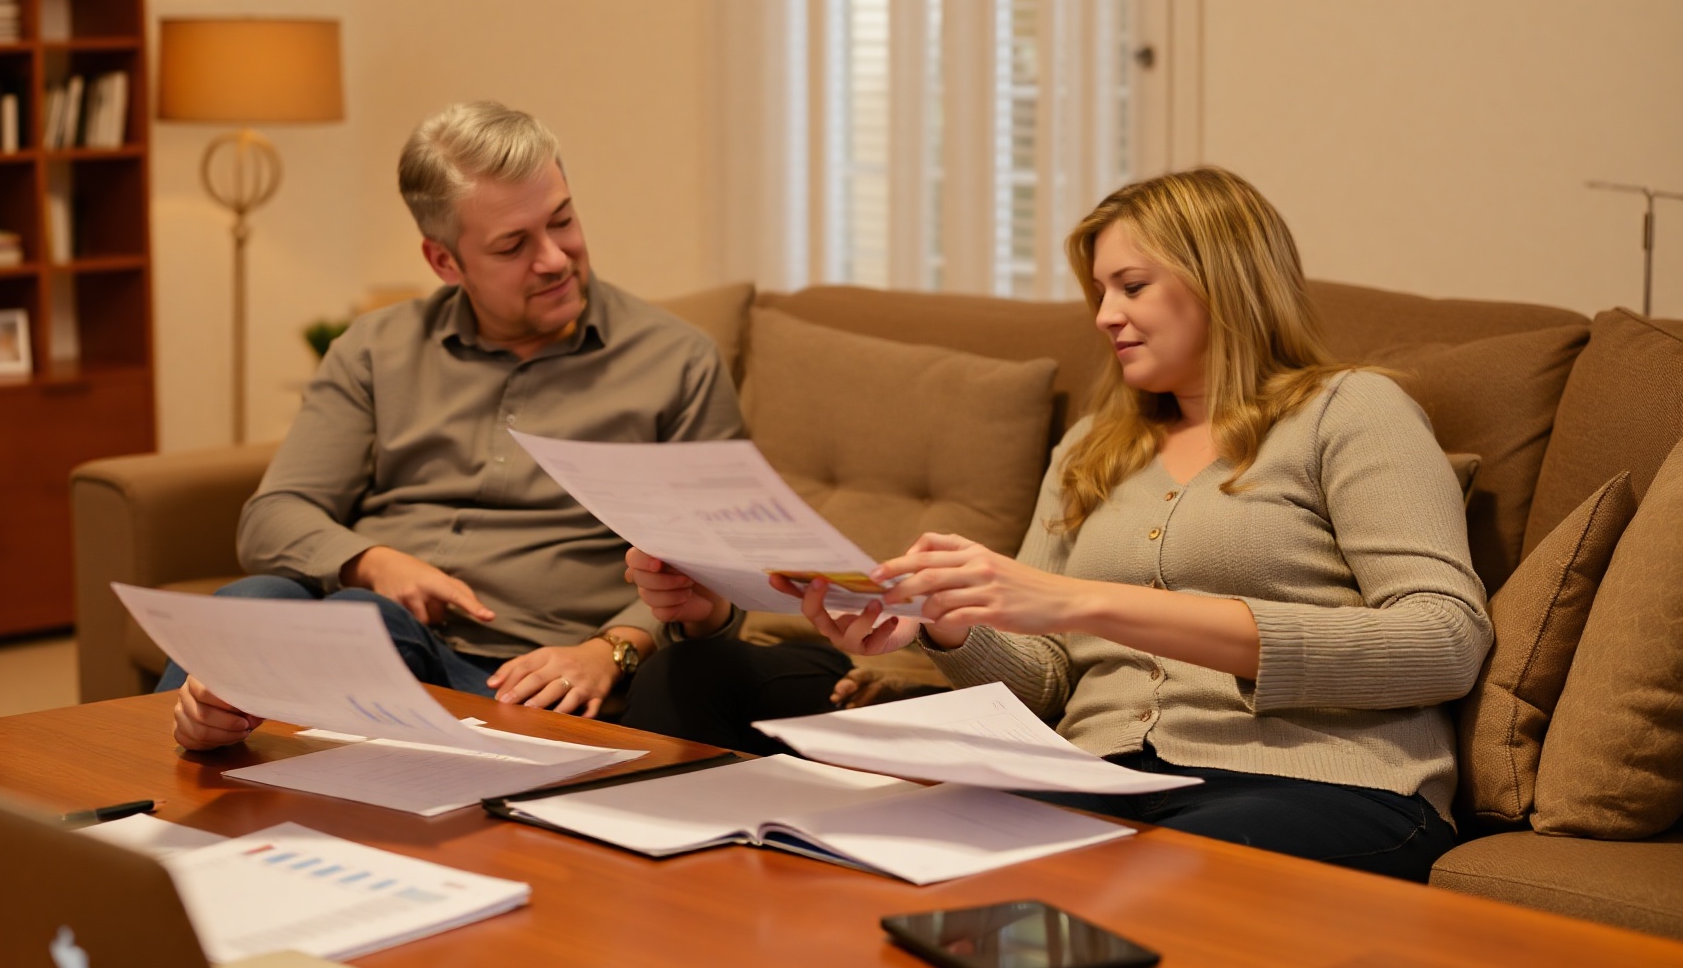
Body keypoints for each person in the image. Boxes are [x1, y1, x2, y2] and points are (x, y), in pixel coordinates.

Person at [619, 168, 1489, 882]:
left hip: (1312, 781)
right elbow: (1043, 684)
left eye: (1132, 286)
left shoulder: (1350, 411)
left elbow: (1445, 641)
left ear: (1224, 278)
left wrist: (1083, 600)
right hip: (1097, 774)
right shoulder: (1093, 447)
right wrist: (951, 629)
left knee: (1147, 884)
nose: (1106, 315)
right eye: (1100, 291)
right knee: (863, 854)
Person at [168, 100, 743, 751]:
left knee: (359, 623)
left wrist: (608, 652)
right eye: (513, 245)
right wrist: (371, 562)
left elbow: (718, 567)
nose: (555, 258)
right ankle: (143, 806)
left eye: (563, 220)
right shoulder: (377, 349)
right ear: (444, 262)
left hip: (512, 674)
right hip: (370, 621)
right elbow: (272, 517)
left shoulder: (675, 362)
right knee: (251, 601)